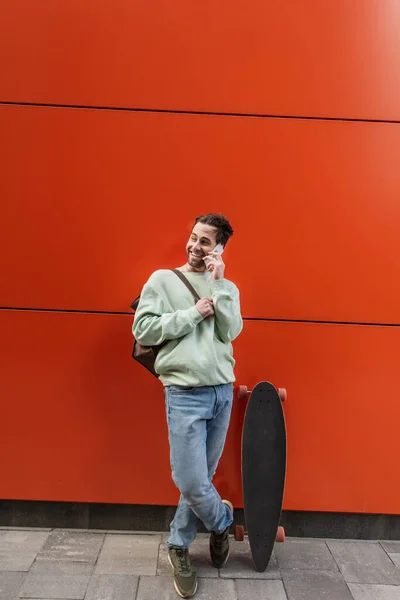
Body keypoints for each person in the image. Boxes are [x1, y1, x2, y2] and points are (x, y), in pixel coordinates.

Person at [132, 213, 243, 598]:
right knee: (192, 481)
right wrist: (193, 313)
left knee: (201, 480)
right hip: (184, 394)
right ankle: (222, 521)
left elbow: (231, 331)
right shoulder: (162, 280)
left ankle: (178, 544)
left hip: (222, 392)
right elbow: (142, 329)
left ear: (220, 248)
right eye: (194, 238)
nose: (196, 247)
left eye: (206, 242)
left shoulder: (225, 285)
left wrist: (220, 284)